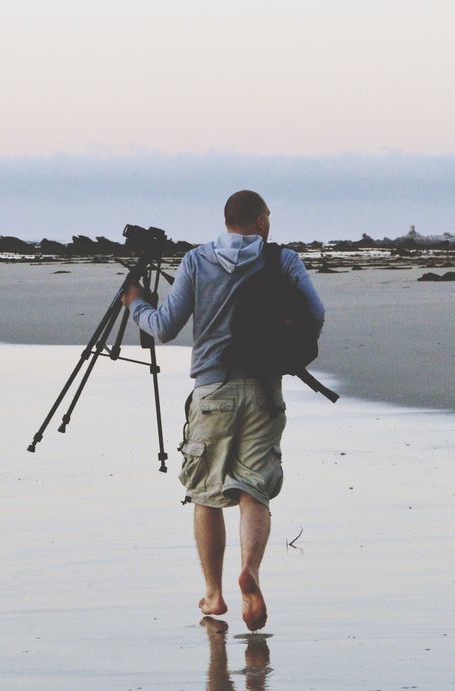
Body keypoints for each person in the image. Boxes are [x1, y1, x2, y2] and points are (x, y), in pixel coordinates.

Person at [119, 190, 324, 631]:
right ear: (262, 222)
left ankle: (214, 595)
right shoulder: (283, 261)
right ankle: (250, 571)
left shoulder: (196, 262)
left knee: (205, 494)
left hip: (212, 390)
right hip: (264, 388)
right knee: (255, 489)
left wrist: (135, 302)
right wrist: (287, 351)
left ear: (227, 221)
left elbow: (164, 327)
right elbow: (316, 313)